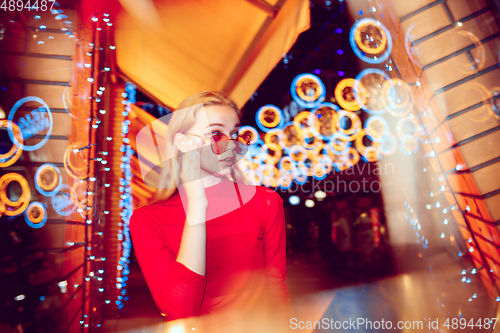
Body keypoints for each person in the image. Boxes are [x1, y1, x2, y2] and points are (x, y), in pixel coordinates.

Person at [129, 91, 292, 333]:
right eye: (216, 133)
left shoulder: (265, 202)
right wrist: (196, 206)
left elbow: (277, 288)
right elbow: (180, 312)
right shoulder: (148, 220)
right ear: (183, 142)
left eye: (234, 134)